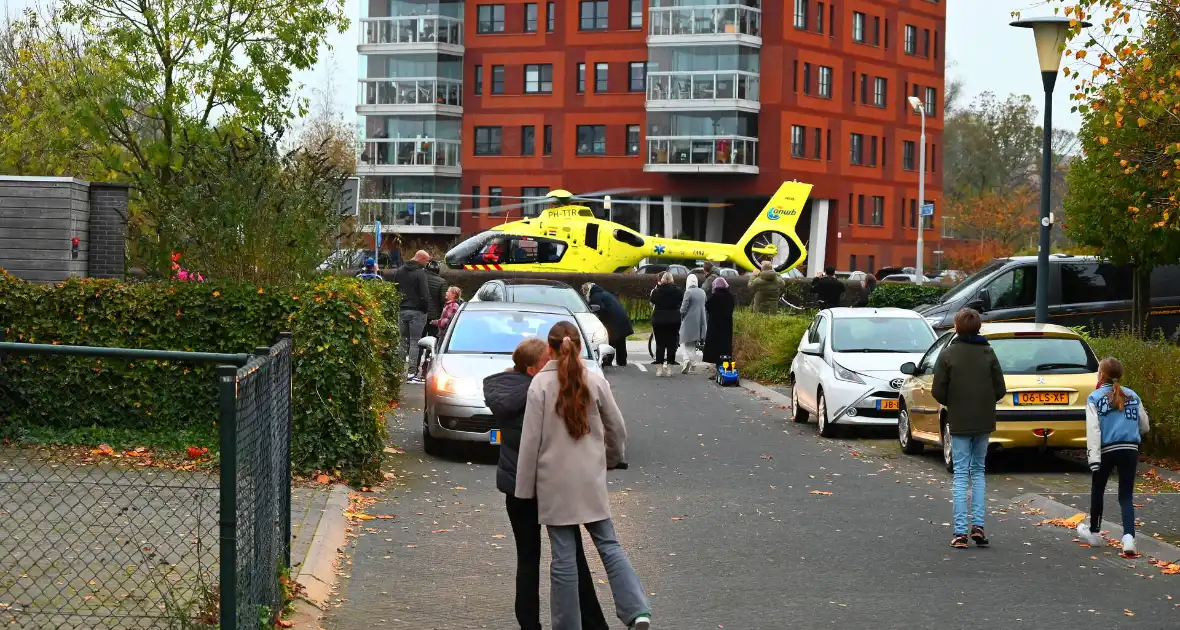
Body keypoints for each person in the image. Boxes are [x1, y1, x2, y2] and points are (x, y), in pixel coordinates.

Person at [515, 322, 652, 630]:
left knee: (563, 558)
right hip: (590, 477)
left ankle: (567, 626)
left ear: (549, 349)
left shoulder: (539, 385)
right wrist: (612, 459)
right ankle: (637, 610)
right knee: (609, 543)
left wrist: (524, 490)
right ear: (579, 346)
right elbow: (617, 427)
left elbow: (530, 442)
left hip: (554, 483)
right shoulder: (594, 380)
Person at [484, 339, 609, 630]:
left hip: (516, 488)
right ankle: (592, 623)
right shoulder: (543, 391)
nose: (553, 365)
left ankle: (529, 624)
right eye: (546, 361)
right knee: (573, 558)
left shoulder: (501, 389)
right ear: (531, 369)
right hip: (553, 487)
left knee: (527, 559)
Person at [931, 308, 1007, 549]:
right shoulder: (988, 353)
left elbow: (937, 390)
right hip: (984, 420)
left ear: (957, 327)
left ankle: (960, 532)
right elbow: (1000, 388)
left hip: (960, 420)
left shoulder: (948, 354)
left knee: (961, 473)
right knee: (979, 471)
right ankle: (979, 527)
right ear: (979, 328)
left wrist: (953, 402)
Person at [1077, 357, 1151, 557]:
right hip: (1129, 449)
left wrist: (1093, 459)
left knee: (1098, 488)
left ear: (1101, 375)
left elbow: (1093, 430)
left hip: (1107, 449)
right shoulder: (1132, 395)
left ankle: (1094, 532)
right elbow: (1144, 425)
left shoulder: (1094, 398)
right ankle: (1128, 538)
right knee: (1126, 495)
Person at [393, 250, 432, 382]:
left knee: (403, 341)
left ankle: (398, 371)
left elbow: (395, 290)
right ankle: (411, 373)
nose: (426, 264)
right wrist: (425, 309)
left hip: (402, 310)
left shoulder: (399, 271)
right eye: (426, 261)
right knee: (415, 342)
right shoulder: (420, 273)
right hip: (417, 311)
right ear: (421, 259)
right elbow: (425, 294)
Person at [582, 283, 633, 367]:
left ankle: (607, 362)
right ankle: (622, 362)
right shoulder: (604, 293)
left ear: (587, 291)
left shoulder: (595, 296)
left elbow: (600, 309)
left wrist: (598, 320)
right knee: (620, 342)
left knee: (611, 341)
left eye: (584, 292)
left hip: (612, 321)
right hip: (621, 318)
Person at [648, 272, 684, 375]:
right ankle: (669, 368)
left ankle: (659, 368)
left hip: (659, 319)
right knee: (672, 343)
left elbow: (652, 302)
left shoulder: (656, 292)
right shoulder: (678, 291)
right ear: (672, 280)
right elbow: (680, 301)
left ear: (662, 280)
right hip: (674, 319)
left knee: (660, 344)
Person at [702, 277, 735, 374]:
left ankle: (718, 369)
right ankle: (725, 367)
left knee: (716, 348)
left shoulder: (714, 297)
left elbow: (708, 307)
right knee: (725, 347)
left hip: (715, 325)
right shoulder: (730, 296)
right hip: (727, 325)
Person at [678, 274, 707, 374]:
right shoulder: (702, 292)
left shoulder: (688, 292)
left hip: (689, 319)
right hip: (701, 320)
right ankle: (692, 363)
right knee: (691, 343)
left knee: (683, 340)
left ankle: (688, 361)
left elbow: (683, 308)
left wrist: (680, 313)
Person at [422, 259, 448, 339]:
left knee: (418, 338)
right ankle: (430, 351)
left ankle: (418, 351)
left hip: (420, 313)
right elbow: (443, 300)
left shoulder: (420, 278)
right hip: (434, 316)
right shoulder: (442, 282)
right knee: (432, 339)